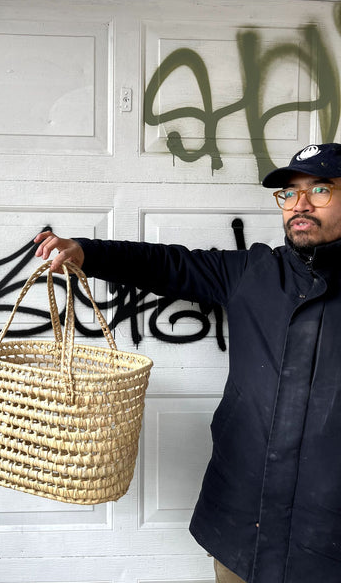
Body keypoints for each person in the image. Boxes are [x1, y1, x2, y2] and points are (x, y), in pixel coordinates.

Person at [34, 143, 341, 583]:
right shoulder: (253, 272)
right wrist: (86, 252)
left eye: (321, 189)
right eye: (289, 194)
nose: (300, 204)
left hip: (328, 539)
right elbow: (168, 264)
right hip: (242, 527)